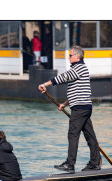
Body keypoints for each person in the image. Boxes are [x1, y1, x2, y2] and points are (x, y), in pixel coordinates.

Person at [38, 45, 102, 173]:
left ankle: (70, 164)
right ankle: (95, 162)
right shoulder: (79, 69)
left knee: (73, 134)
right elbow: (77, 90)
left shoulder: (79, 68)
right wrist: (65, 104)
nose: (69, 58)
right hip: (83, 106)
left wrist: (45, 84)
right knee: (90, 135)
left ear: (77, 56)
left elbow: (63, 77)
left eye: (70, 55)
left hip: (80, 108)